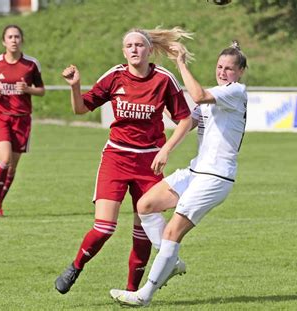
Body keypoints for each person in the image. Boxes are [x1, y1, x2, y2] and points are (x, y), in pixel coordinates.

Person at [54, 27, 194, 295]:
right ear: (123, 51)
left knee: (142, 231)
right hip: (116, 158)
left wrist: (166, 150)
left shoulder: (164, 79)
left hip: (149, 163)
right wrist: (74, 87)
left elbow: (185, 120)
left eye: (139, 45)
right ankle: (75, 267)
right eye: (129, 45)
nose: (134, 49)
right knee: (104, 227)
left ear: (149, 49)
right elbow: (81, 108)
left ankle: (132, 291)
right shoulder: (115, 76)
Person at [110, 40, 248, 307]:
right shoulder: (215, 95)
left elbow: (197, 95)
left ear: (240, 71)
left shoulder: (236, 91)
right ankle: (170, 260)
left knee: (172, 231)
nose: (222, 72)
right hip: (196, 170)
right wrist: (165, 150)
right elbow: (187, 121)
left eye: (229, 68)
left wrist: (181, 63)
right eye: (219, 66)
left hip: (215, 177)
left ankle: (145, 295)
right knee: (146, 205)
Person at [0, 25, 45, 217]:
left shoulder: (31, 64)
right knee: (5, 159)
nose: (14, 40)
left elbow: (41, 90)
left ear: (21, 40)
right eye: (10, 37)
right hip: (0, 117)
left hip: (22, 120)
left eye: (17, 36)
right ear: (4, 41)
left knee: (13, 167)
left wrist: (28, 89)